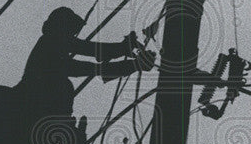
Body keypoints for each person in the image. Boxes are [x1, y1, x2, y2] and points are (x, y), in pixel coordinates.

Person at [17, 6, 155, 116]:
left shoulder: (55, 40)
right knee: (63, 87)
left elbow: (92, 51)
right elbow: (83, 62)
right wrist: (130, 62)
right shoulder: (52, 42)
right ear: (62, 27)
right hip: (36, 94)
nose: (73, 34)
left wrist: (123, 50)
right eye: (71, 30)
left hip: (40, 93)